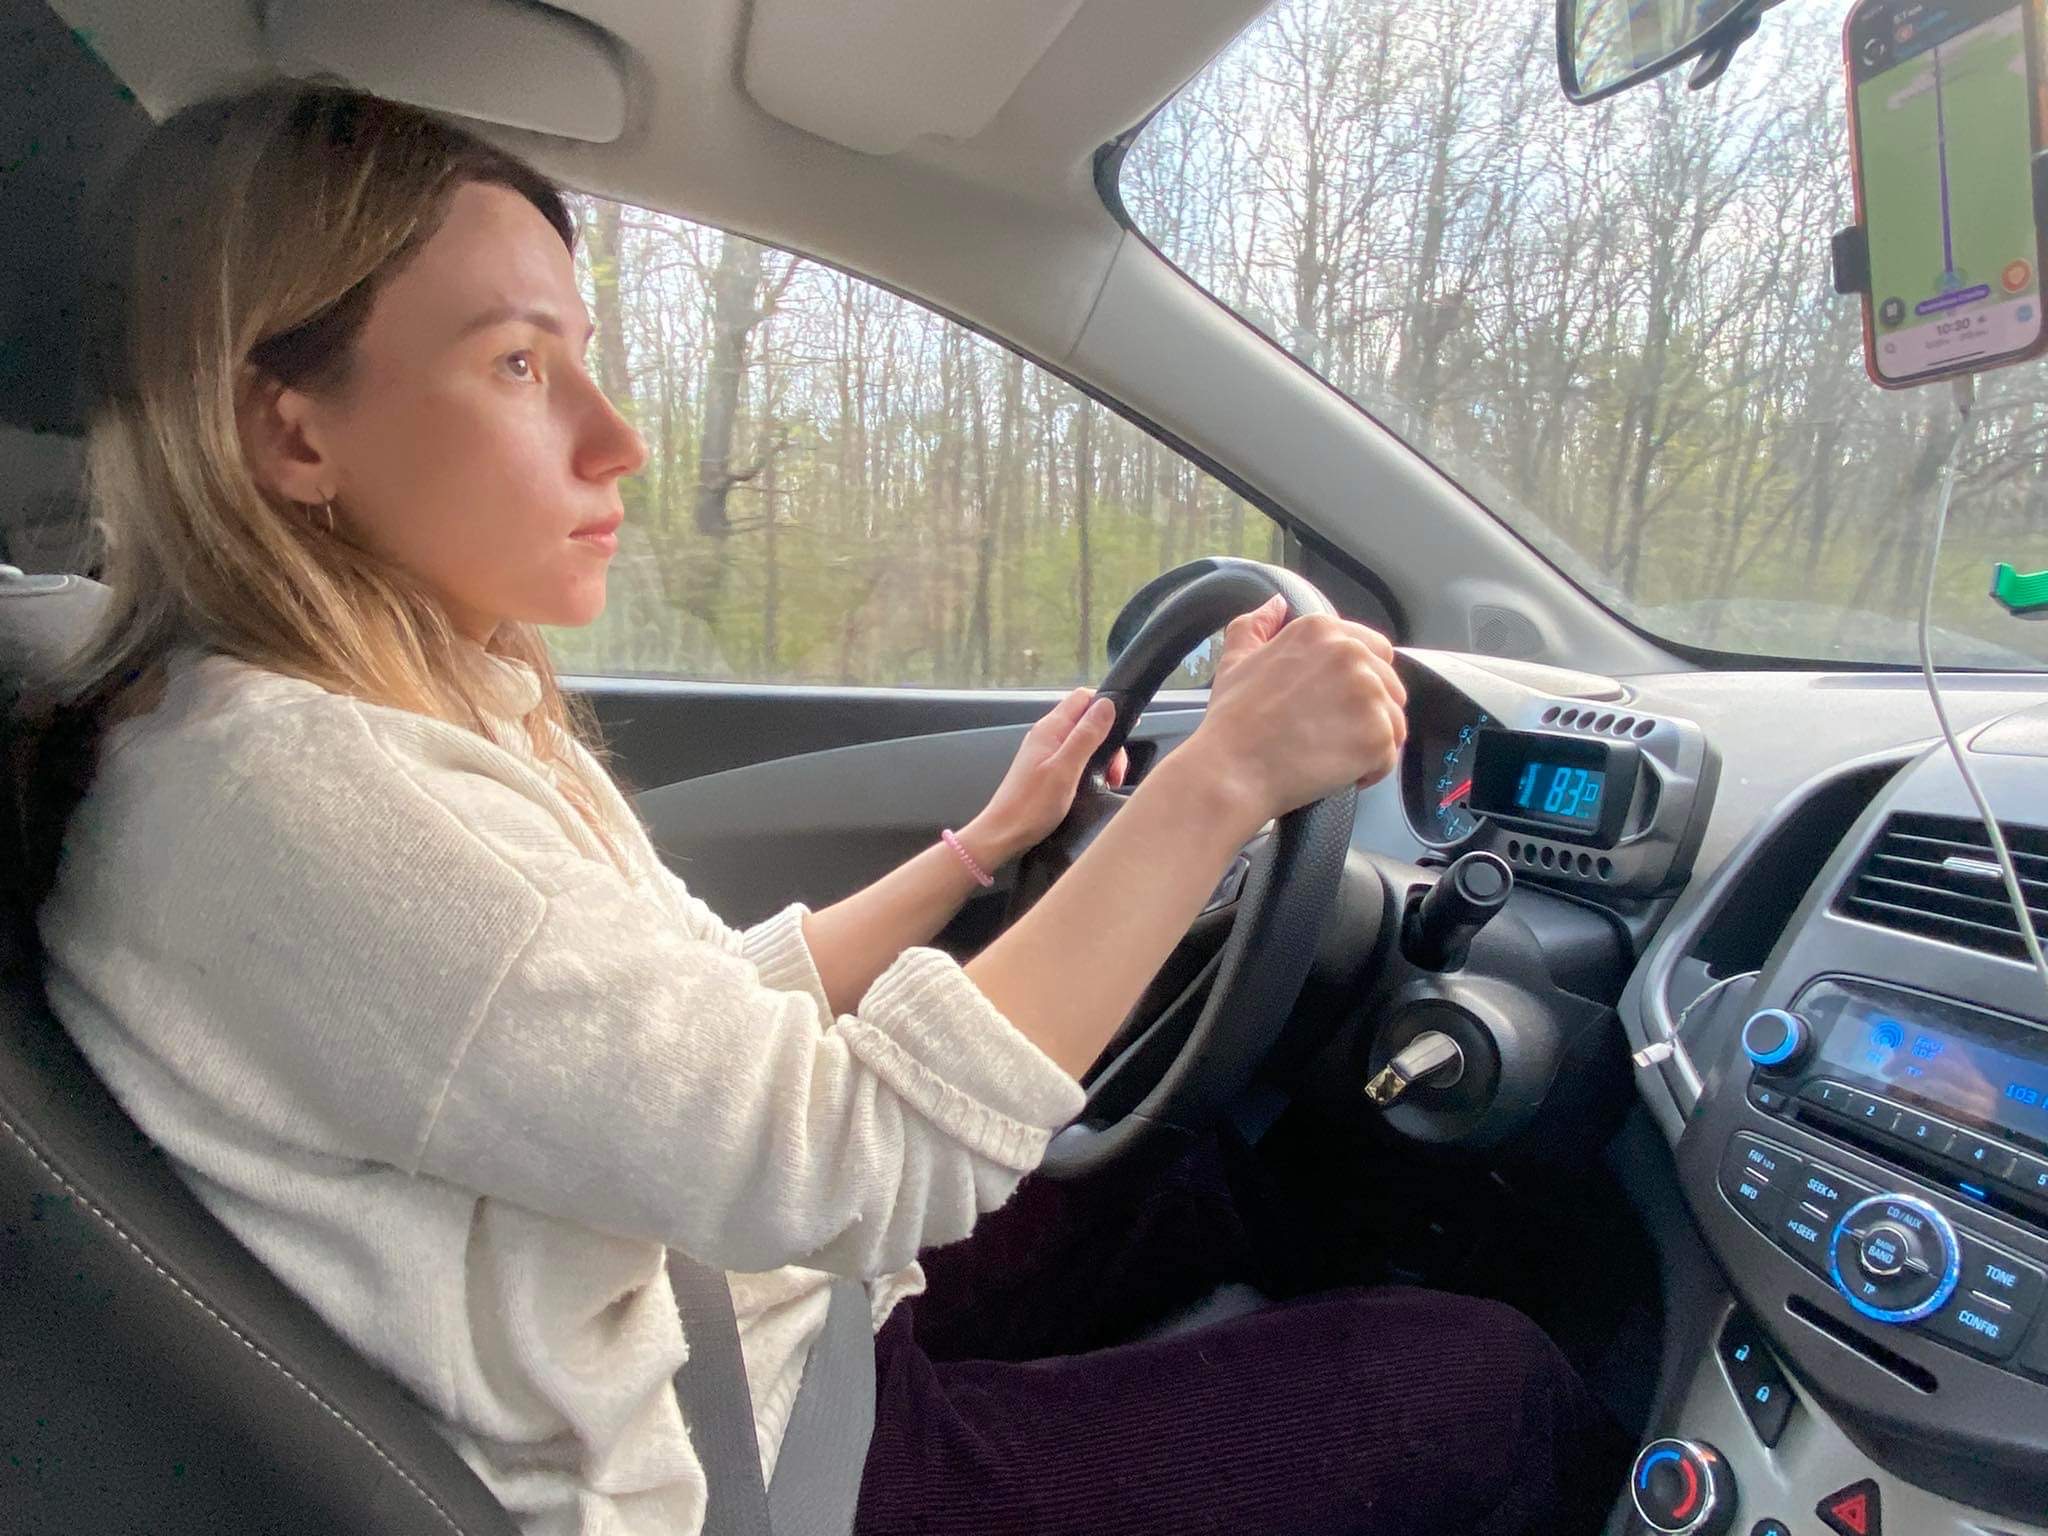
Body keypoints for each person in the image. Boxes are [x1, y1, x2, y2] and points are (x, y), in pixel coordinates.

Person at [22, 80, 1626, 1536]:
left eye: (582, 354)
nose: (618, 438)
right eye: (519, 362)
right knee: (1484, 1387)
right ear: (292, 428)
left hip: (724, 1319)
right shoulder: (305, 799)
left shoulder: (390, 713)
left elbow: (698, 1030)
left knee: (1194, 1174)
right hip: (751, 1472)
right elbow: (841, 1157)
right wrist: (1218, 788)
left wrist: (979, 856)